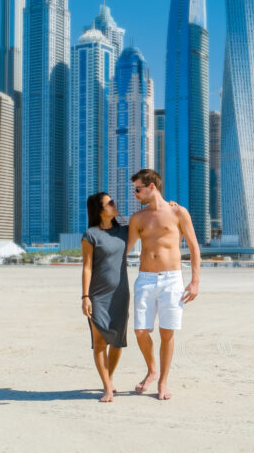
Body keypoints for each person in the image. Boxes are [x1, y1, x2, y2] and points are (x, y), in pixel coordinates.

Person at [126, 168, 201, 400]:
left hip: (172, 279)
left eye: (138, 189)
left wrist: (195, 281)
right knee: (140, 331)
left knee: (167, 333)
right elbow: (124, 250)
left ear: (151, 187)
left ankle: (163, 381)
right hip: (145, 279)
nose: (135, 194)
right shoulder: (138, 218)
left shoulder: (179, 213)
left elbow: (194, 247)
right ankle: (151, 370)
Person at [81, 192, 129, 402]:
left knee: (117, 342)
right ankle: (107, 387)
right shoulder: (90, 234)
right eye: (109, 203)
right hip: (98, 295)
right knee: (100, 343)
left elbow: (149, 219)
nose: (114, 204)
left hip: (121, 294)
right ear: (100, 210)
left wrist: (169, 205)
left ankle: (108, 378)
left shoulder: (125, 232)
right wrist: (85, 296)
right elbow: (87, 267)